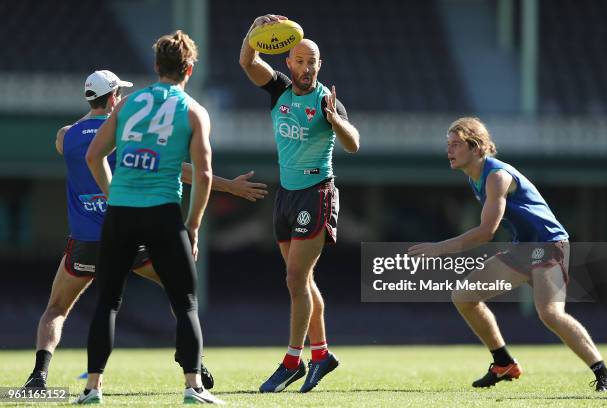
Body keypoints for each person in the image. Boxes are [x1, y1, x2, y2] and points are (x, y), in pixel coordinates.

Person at [23, 69, 267, 393]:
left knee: (56, 309)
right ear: (113, 98)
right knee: (179, 293)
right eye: (119, 94)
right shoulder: (125, 130)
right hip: (126, 235)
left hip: (84, 243)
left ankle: (39, 376)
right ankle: (192, 359)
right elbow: (181, 170)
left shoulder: (64, 136)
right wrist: (229, 187)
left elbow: (81, 146)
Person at [75, 31, 226, 404]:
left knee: (108, 300)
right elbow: (204, 175)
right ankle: (193, 387)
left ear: (156, 65)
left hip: (122, 213)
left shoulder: (126, 105)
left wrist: (116, 197)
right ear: (189, 68)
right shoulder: (193, 110)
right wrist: (192, 227)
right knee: (185, 302)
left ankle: (93, 388)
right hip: (162, 213)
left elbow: (94, 156)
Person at [408, 117, 607, 392]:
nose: (449, 151)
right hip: (522, 249)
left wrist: (439, 248)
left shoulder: (497, 176)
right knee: (464, 296)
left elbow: (486, 232)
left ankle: (603, 373)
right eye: (449, 145)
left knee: (550, 313)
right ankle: (503, 362)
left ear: (477, 147)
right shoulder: (475, 178)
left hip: (548, 246)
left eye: (456, 144)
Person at [239, 14, 360, 393]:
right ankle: (322, 356)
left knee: (295, 279)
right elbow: (246, 61)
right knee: (302, 281)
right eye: (301, 62)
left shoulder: (326, 99)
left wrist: (334, 121)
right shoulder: (279, 90)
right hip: (286, 196)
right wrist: (255, 31)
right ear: (288, 64)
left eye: (313, 62)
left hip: (317, 193)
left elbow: (354, 143)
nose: (307, 68)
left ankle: (292, 360)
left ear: (320, 65)